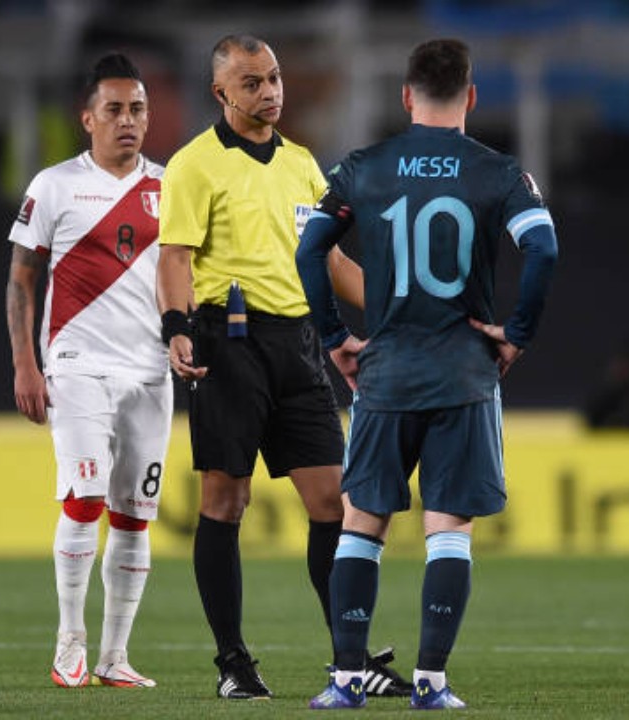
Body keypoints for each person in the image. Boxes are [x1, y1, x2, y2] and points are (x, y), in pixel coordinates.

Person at [295, 38, 559, 710]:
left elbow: (309, 249)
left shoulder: (364, 168)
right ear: (471, 96)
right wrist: (517, 334)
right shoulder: (498, 173)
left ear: (406, 96)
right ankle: (432, 684)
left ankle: (347, 680)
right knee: (448, 531)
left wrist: (335, 338)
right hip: (464, 373)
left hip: (384, 371)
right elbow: (543, 248)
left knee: (362, 524)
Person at [155, 33, 409, 701]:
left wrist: (398, 308)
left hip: (297, 346)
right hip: (227, 343)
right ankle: (234, 664)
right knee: (225, 501)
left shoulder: (301, 165)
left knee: (335, 503)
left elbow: (329, 262)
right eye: (251, 83)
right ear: (220, 93)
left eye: (272, 79)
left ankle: (350, 659)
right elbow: (175, 258)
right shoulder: (193, 165)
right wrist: (176, 330)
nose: (268, 91)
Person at [5, 53, 171, 690]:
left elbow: (180, 275)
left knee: (134, 515)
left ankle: (114, 656)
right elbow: (22, 278)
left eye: (137, 109)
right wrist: (26, 362)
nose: (128, 121)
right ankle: (68, 640)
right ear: (87, 118)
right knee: (85, 499)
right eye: (114, 110)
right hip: (77, 365)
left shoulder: (169, 187)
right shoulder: (54, 185)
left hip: (150, 370)